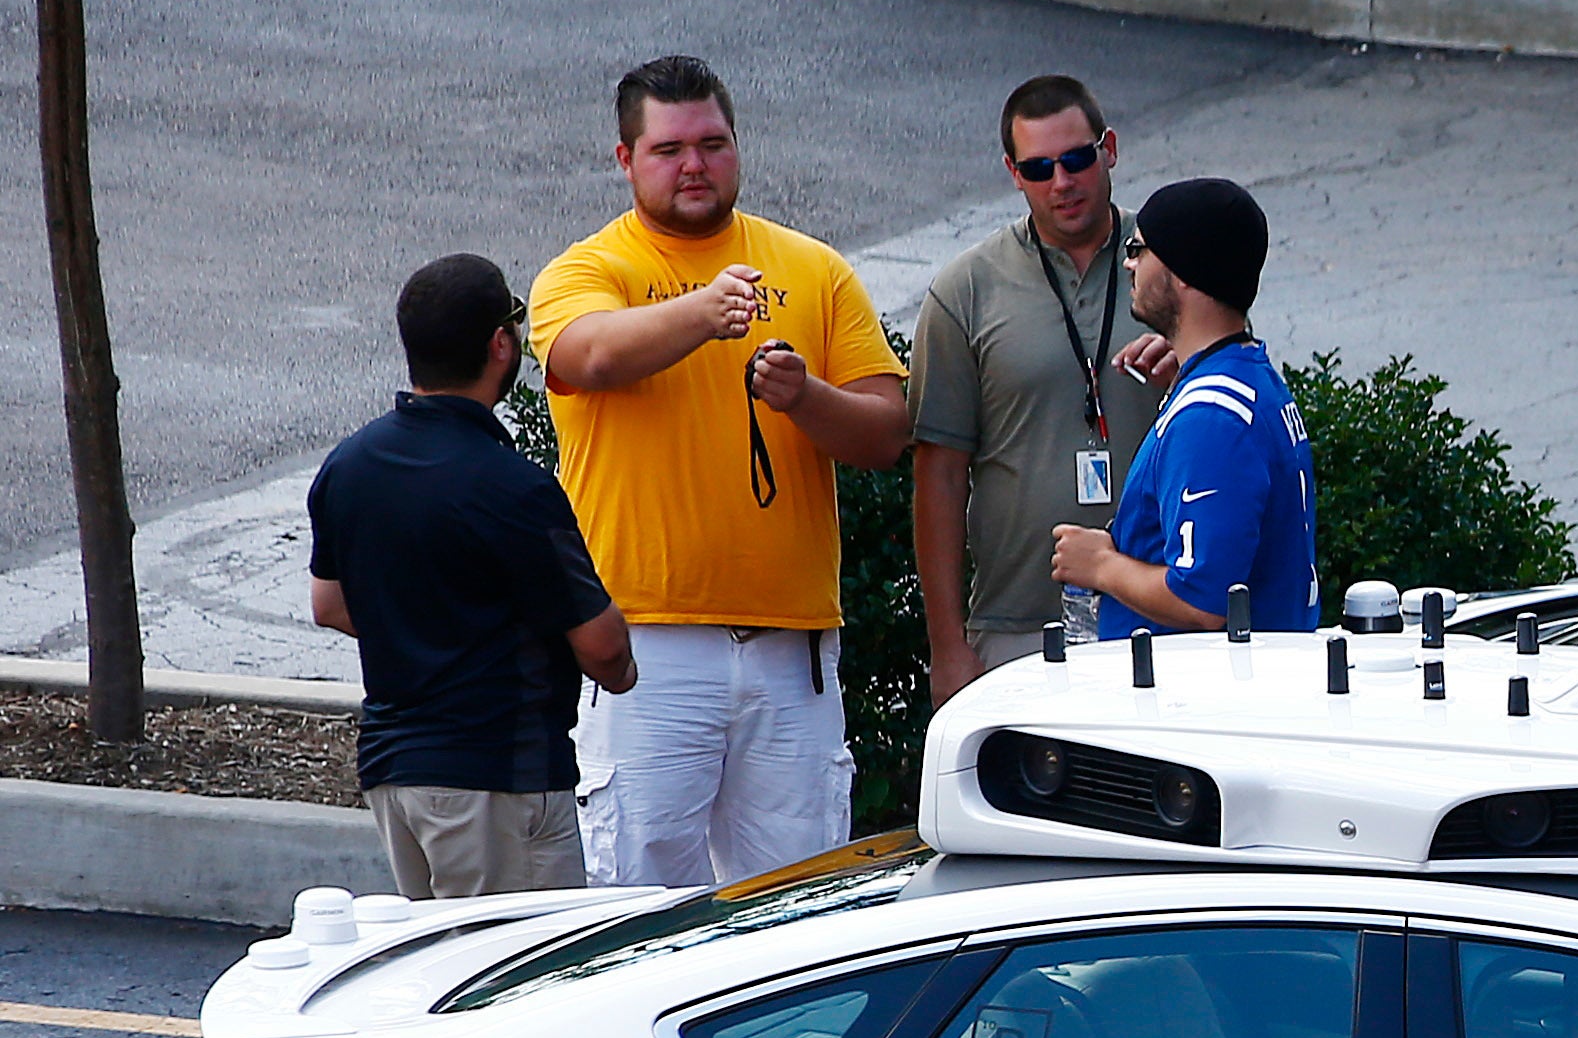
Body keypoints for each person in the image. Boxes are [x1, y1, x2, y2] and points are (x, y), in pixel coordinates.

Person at [530, 54, 908, 887]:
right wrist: (701, 314)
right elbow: (583, 355)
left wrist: (807, 397)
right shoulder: (591, 271)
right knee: (635, 901)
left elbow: (886, 431)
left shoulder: (813, 269)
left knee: (800, 905)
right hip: (648, 649)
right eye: (668, 149)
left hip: (791, 653)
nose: (694, 164)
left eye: (713, 143)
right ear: (625, 160)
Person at [307, 256, 638, 899]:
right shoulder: (514, 487)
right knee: (521, 982)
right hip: (498, 780)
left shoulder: (349, 465)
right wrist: (623, 669)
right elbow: (602, 650)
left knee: (438, 974)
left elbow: (329, 603)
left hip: (391, 774)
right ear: (500, 345)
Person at [909, 74, 1172, 700]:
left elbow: (1244, 399)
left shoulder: (1176, 263)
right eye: (1039, 168)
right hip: (1019, 624)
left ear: (1109, 149)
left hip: (1167, 614)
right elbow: (938, 477)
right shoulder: (966, 290)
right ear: (1012, 172)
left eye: (1077, 159)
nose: (1062, 182)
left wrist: (1193, 360)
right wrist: (948, 646)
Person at [1054, 178, 1316, 641]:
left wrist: (1100, 566)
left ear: (1184, 273)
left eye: (1139, 249)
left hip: (1198, 702)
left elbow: (1203, 599)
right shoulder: (1249, 380)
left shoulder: (1212, 419)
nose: (1129, 264)